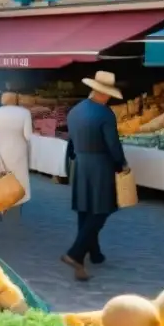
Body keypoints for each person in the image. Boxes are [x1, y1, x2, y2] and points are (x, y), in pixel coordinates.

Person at [62, 71, 127, 282]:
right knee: (102, 210)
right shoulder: (105, 114)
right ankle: (75, 253)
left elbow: (70, 143)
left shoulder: (75, 111)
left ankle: (95, 253)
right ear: (104, 93)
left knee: (85, 209)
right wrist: (121, 164)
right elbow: (113, 145)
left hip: (80, 164)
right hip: (100, 165)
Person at [0, 92, 33, 212]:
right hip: (18, 152)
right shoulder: (25, 113)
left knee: (1, 177)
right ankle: (17, 200)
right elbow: (28, 135)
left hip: (0, 151)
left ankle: (3, 203)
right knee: (18, 178)